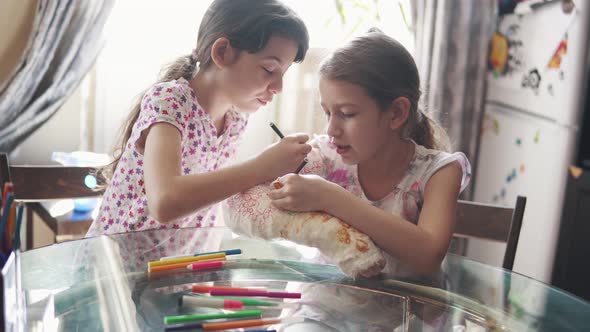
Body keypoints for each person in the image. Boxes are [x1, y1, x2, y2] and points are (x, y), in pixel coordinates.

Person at [86, 0, 311, 236]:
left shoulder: (236, 121)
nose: (279, 87)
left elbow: (207, 205)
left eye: (283, 74)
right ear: (222, 52)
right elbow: (165, 202)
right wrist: (262, 167)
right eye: (269, 69)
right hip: (116, 267)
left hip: (181, 268)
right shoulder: (170, 100)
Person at [267, 28, 471, 276]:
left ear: (396, 113)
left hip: (402, 311)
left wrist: (330, 198)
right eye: (328, 113)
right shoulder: (325, 155)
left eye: (347, 114)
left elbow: (428, 256)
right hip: (320, 306)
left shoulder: (440, 172)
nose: (331, 129)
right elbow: (264, 189)